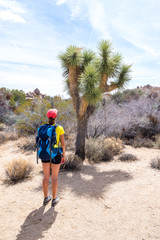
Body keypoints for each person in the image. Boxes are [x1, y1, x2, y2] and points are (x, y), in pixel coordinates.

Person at [38, 109, 65, 207]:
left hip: (45, 154)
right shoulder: (59, 128)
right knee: (54, 177)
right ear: (56, 117)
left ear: (48, 117)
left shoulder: (41, 128)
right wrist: (64, 155)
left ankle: (46, 198)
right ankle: (54, 199)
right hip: (56, 154)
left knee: (45, 177)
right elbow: (63, 144)